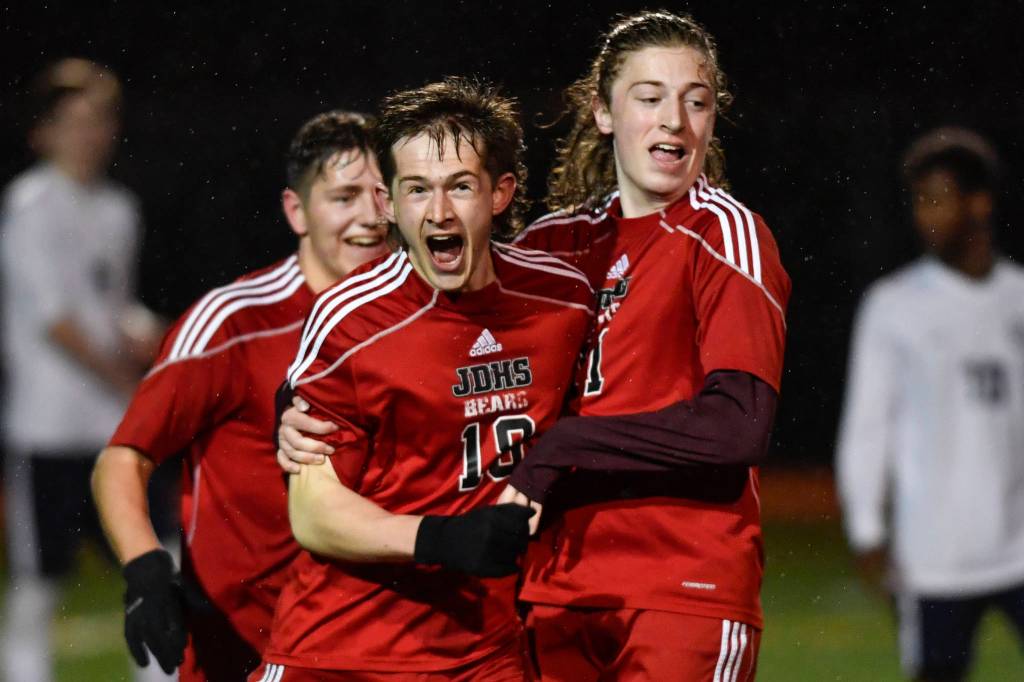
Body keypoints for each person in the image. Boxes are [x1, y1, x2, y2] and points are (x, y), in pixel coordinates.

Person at [250, 77, 594, 681]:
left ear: (500, 193)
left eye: (460, 187)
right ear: (389, 204)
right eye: (417, 190)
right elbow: (313, 512)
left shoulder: (563, 303)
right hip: (340, 647)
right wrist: (442, 540)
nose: (438, 213)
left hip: (482, 654)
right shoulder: (351, 319)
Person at [496, 11, 789, 680]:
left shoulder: (725, 234)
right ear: (603, 112)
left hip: (683, 589)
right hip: (555, 589)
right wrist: (307, 404)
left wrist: (565, 446)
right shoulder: (551, 246)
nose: (675, 122)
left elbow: (737, 425)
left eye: (696, 101)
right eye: (649, 97)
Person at [91, 110, 390, 680]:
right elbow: (124, 457)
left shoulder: (418, 314)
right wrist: (145, 566)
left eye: (382, 194)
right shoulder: (235, 322)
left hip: (377, 634)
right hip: (247, 644)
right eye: (345, 197)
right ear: (296, 211)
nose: (370, 217)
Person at [837, 127, 1024, 681]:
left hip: (1019, 545)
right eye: (919, 201)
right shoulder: (894, 307)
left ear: (979, 203)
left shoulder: (1019, 297)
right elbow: (867, 425)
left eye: (938, 198)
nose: (925, 215)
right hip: (933, 557)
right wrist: (866, 529)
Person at [0, 58, 166, 682]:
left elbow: (112, 307)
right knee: (39, 584)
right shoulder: (29, 204)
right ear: (41, 131)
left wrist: (150, 333)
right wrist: (124, 379)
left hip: (114, 430)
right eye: (72, 121)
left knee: (155, 563)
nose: (88, 133)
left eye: (99, 119)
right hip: (47, 427)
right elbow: (56, 321)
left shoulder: (119, 208)